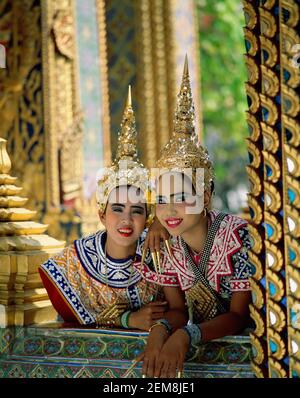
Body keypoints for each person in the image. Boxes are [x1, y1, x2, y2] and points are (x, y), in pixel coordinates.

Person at [134, 57, 253, 377]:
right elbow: (176, 309)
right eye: (161, 201)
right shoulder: (168, 246)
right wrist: (160, 331)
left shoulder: (237, 236)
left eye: (181, 199)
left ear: (205, 197)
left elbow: (239, 316)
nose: (170, 210)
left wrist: (187, 334)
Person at [39, 87, 187, 332]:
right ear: (101, 215)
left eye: (137, 211)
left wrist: (158, 325)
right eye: (117, 209)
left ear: (148, 218)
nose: (126, 220)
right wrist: (128, 320)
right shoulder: (73, 262)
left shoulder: (158, 255)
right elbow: (68, 322)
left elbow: (179, 311)